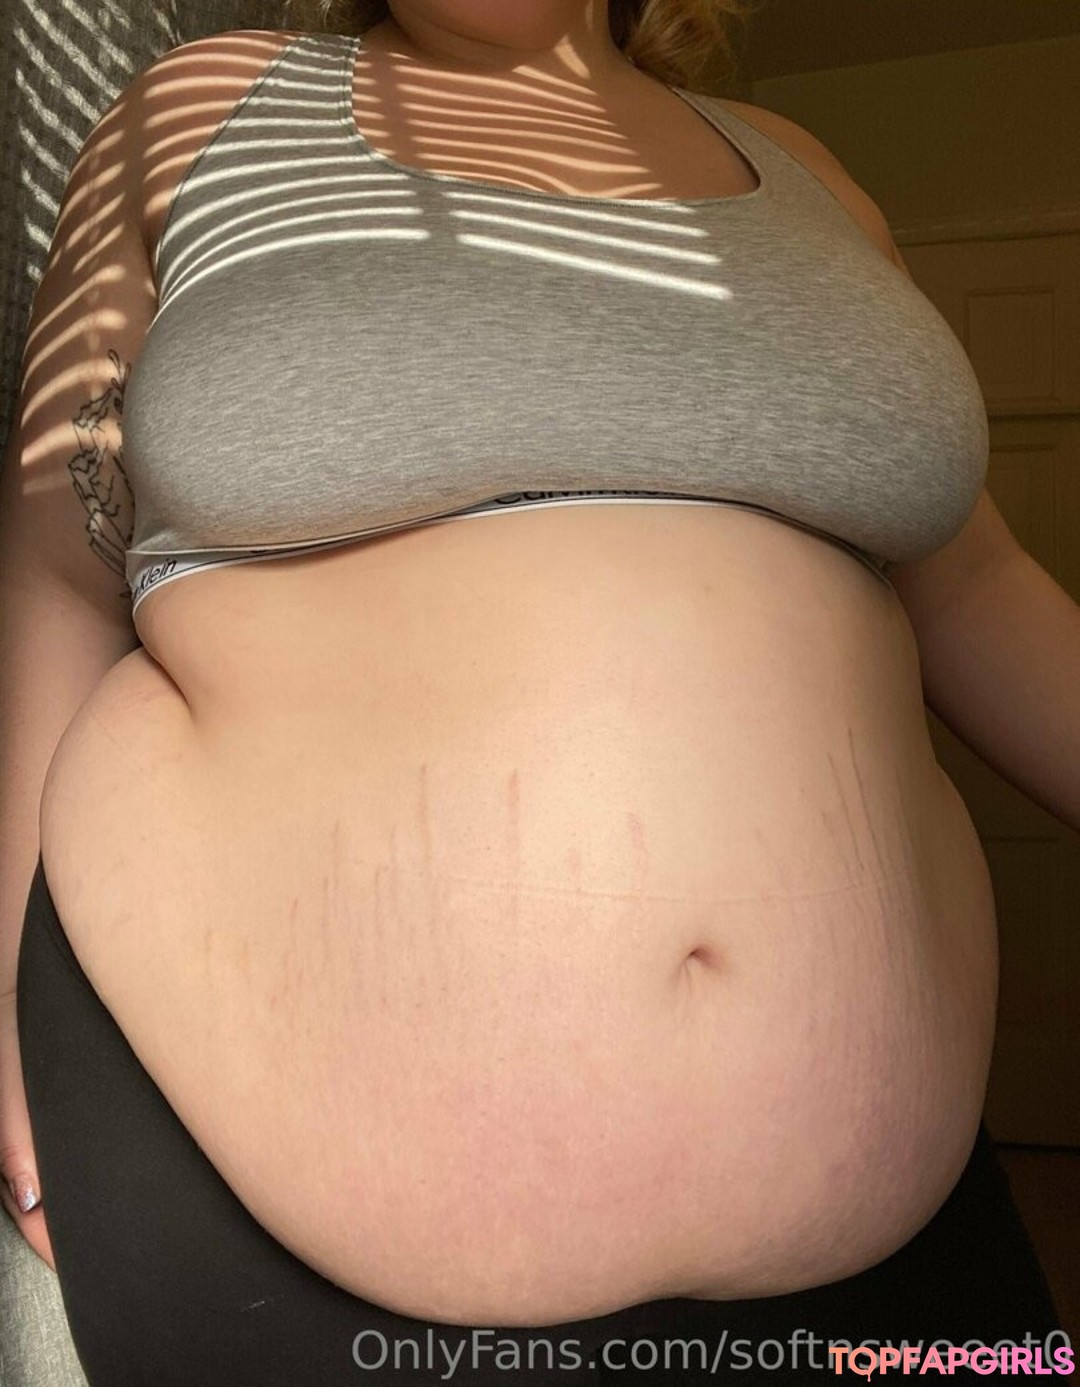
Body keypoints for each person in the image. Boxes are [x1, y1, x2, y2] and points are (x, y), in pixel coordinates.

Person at [1, 1, 1074, 1381]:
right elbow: (54, 574)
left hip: (889, 1223)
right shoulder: (202, 108)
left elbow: (975, 589)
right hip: (241, 1184)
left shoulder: (809, 174)